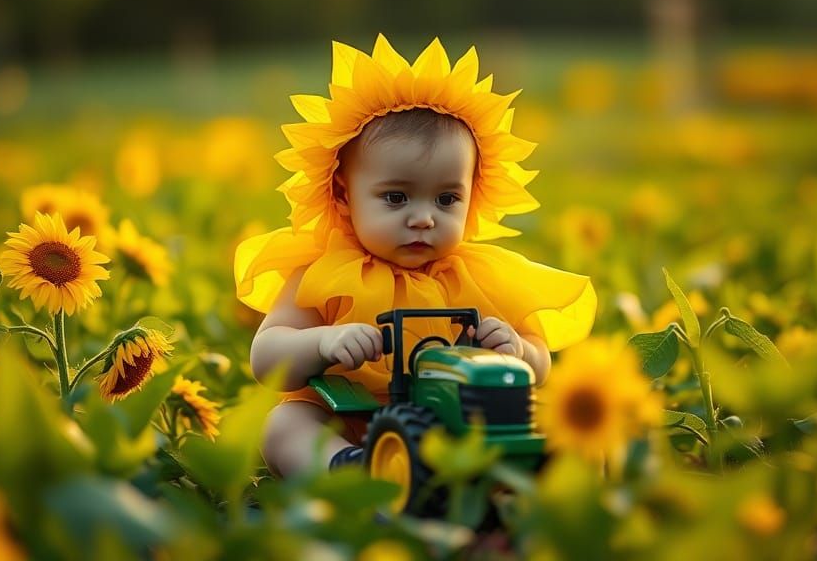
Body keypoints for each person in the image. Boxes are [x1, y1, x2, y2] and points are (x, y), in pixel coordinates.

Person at [235, 35, 596, 476]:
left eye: (446, 199)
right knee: (285, 424)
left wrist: (520, 349)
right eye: (396, 198)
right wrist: (322, 342)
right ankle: (345, 469)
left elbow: (539, 362)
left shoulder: (483, 276)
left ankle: (539, 476)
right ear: (343, 195)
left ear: (473, 196)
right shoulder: (326, 273)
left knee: (543, 415)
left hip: (457, 420)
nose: (423, 218)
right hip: (352, 420)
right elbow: (266, 355)